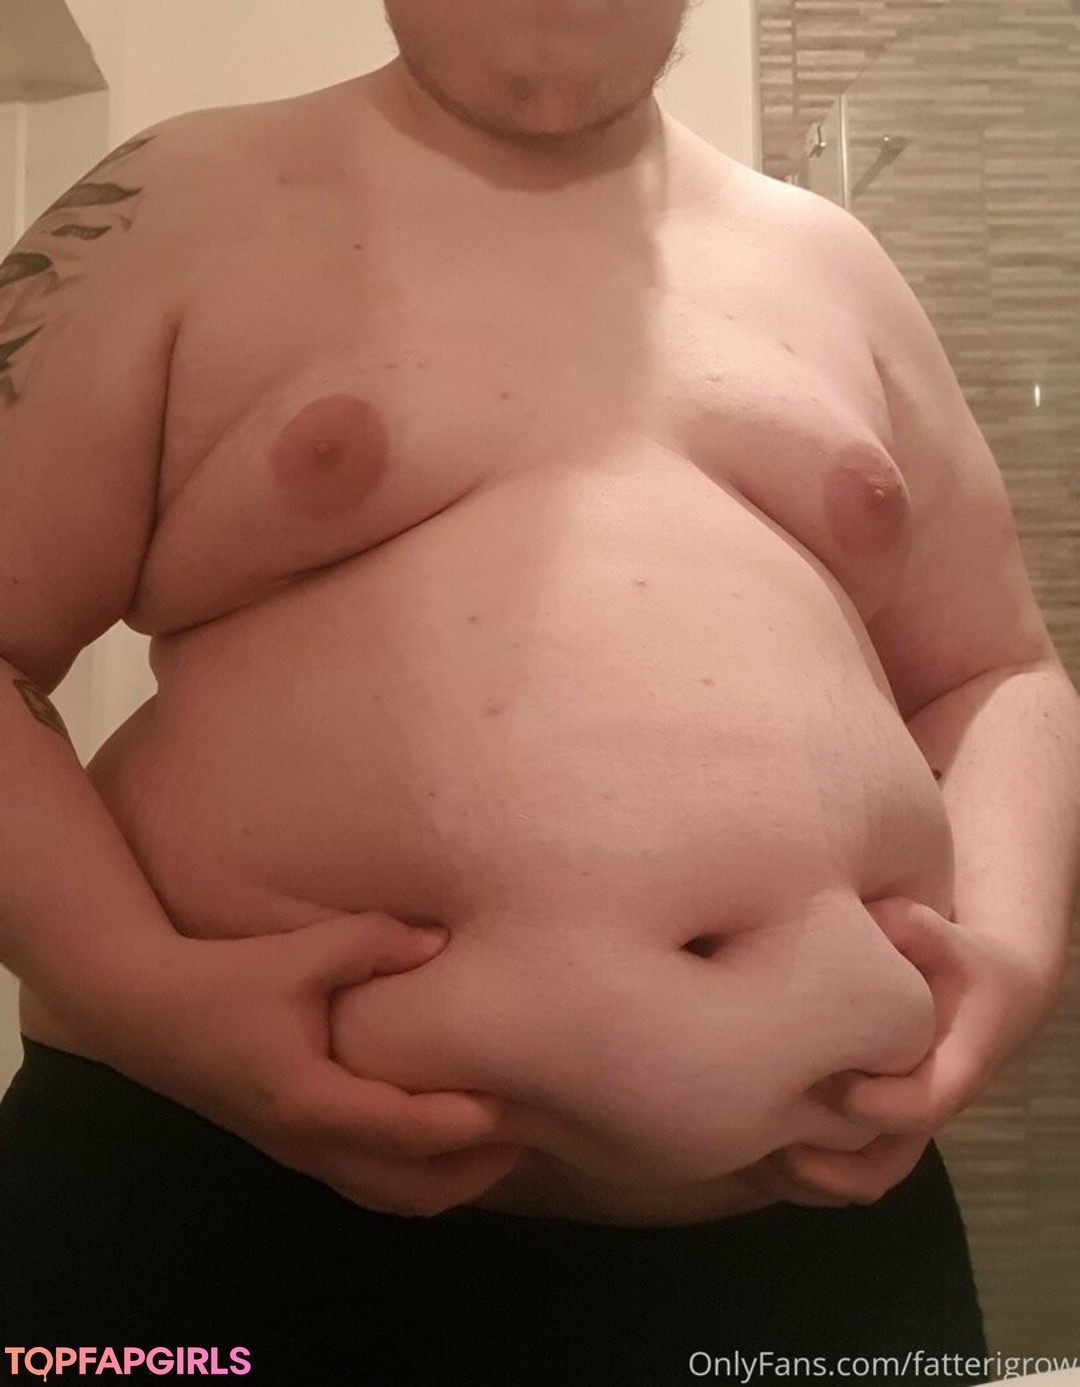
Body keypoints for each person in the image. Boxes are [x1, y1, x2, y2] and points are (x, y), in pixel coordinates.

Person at [1, 2, 1077, 1382]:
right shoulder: (178, 200)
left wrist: (1012, 963)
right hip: (209, 1195)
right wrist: (144, 992)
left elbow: (999, 669)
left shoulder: (834, 263)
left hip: (813, 1236)